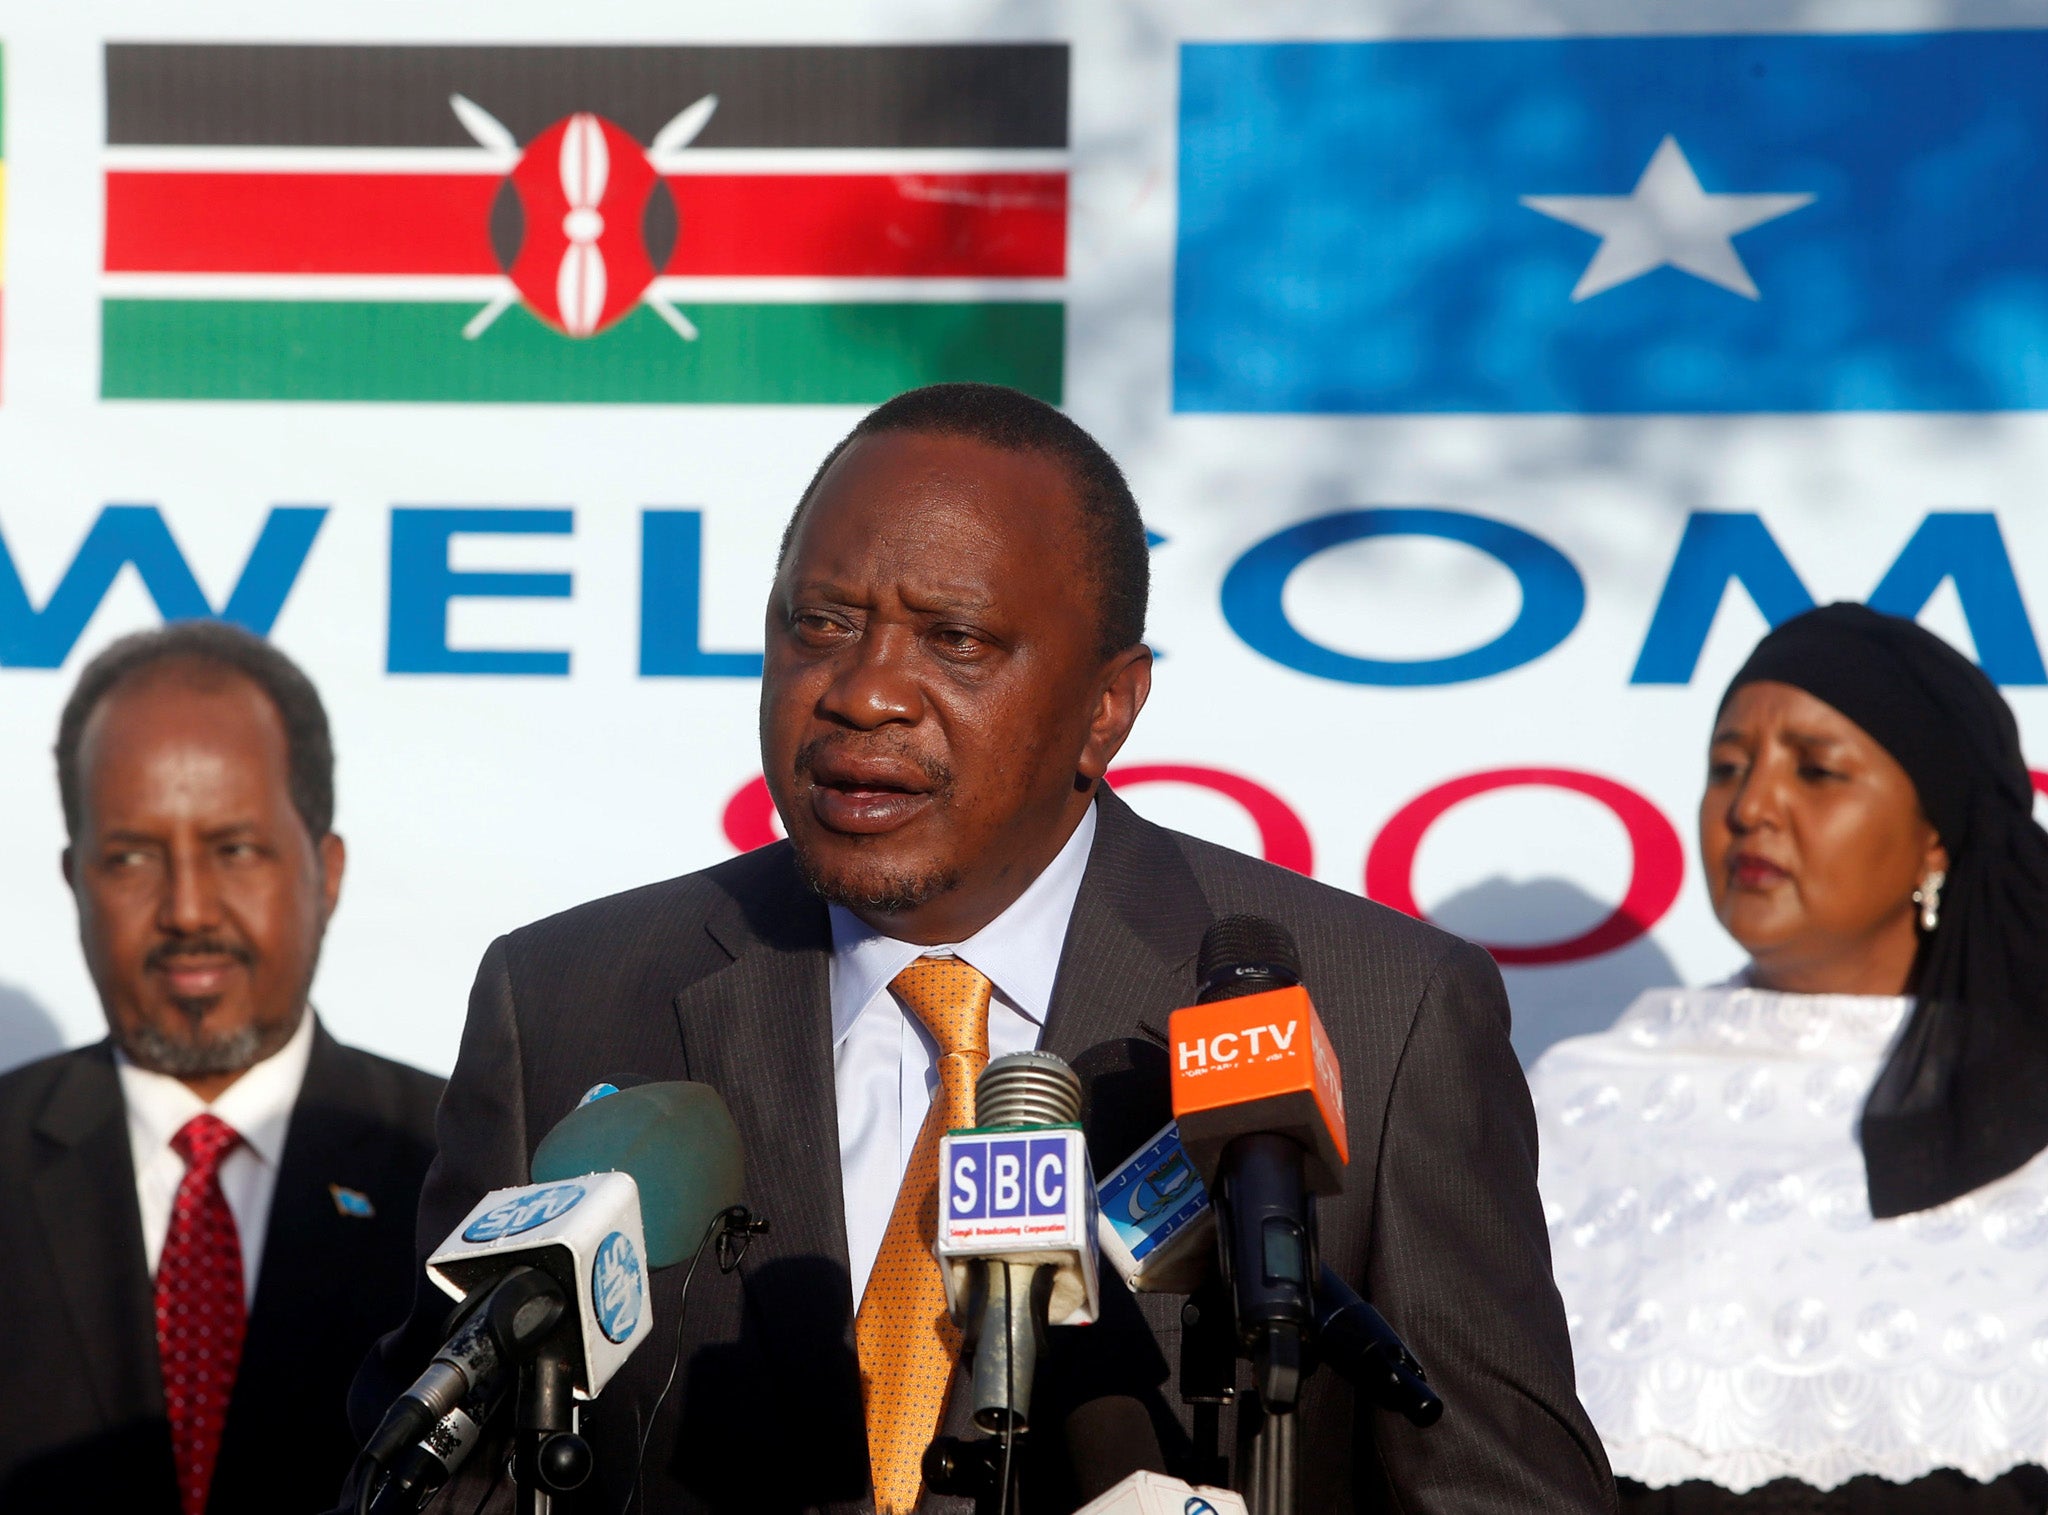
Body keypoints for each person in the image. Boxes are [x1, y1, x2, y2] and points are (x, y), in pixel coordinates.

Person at [352, 382, 1615, 1514]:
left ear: (1106, 708)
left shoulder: (1377, 1022)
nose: (862, 691)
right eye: (820, 624)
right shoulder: (570, 999)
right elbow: (431, 1475)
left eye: (953, 641)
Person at [1533, 602, 2048, 1513]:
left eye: (1817, 771)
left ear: (1938, 831)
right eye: (1726, 767)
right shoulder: (1578, 1097)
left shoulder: (2029, 1099)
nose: (1752, 806)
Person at [0, 622, 444, 1515]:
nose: (187, 908)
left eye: (234, 849)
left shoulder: (460, 1163)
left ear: (327, 871)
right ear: (74, 879)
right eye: (130, 857)